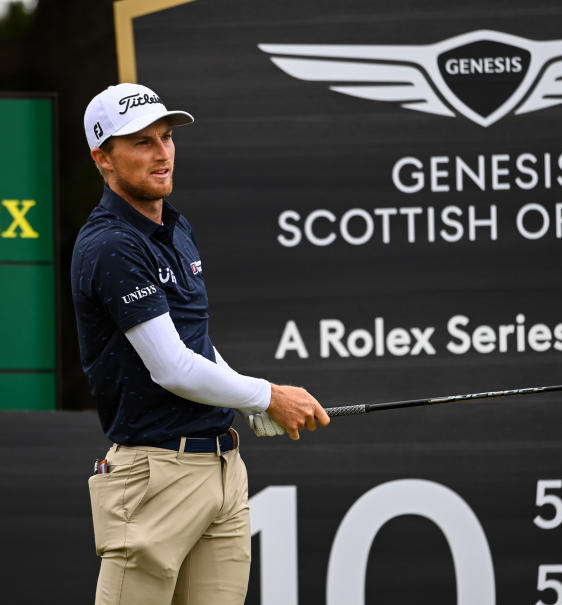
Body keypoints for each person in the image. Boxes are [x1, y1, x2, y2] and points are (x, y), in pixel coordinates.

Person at [72, 82, 330, 605]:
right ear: (103, 157)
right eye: (142, 142)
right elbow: (170, 367)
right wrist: (266, 395)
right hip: (154, 478)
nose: (162, 152)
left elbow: (195, 344)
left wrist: (242, 399)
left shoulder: (174, 228)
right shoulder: (111, 246)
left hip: (222, 472)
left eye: (166, 137)